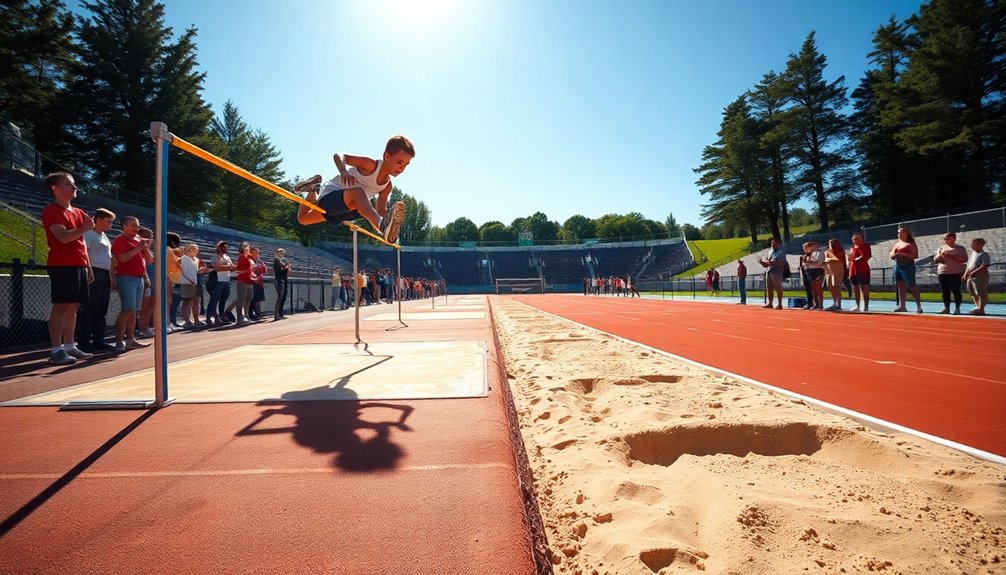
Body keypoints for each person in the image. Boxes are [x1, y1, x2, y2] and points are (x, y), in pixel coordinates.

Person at [295, 135, 415, 244]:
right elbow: (339, 156)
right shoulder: (371, 165)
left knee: (303, 219)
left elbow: (380, 210)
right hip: (332, 195)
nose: (401, 168)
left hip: (347, 208)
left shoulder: (387, 186)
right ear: (387, 156)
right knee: (358, 193)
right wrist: (343, 171)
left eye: (405, 165)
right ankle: (382, 226)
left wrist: (391, 222)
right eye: (399, 162)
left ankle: (313, 188)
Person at [41, 172, 95, 365]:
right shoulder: (51, 211)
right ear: (55, 188)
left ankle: (70, 345)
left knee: (74, 306)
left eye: (73, 184)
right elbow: (63, 237)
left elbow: (81, 242)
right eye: (68, 184)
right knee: (62, 306)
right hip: (62, 264)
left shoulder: (78, 212)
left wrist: (88, 266)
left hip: (79, 264)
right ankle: (56, 350)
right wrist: (83, 228)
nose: (74, 187)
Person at [75, 207, 117, 353]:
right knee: (88, 308)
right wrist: (89, 270)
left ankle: (99, 341)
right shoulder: (89, 234)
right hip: (93, 272)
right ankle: (84, 342)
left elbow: (108, 258)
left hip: (104, 274)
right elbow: (84, 252)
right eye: (109, 221)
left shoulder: (104, 236)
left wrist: (111, 276)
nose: (111, 225)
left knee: (101, 308)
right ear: (98, 219)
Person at [110, 216, 153, 352]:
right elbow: (122, 259)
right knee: (127, 309)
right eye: (133, 225)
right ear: (124, 226)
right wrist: (138, 248)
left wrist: (145, 249)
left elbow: (149, 261)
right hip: (126, 278)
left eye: (137, 226)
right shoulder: (120, 240)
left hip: (139, 278)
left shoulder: (138, 240)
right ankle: (118, 340)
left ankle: (130, 338)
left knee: (134, 311)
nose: (136, 228)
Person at [933, 232, 968, 315]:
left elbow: (964, 259)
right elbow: (935, 259)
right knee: (945, 291)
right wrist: (939, 257)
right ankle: (946, 308)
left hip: (956, 272)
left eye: (948, 238)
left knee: (956, 290)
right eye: (945, 238)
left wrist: (950, 256)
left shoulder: (960, 248)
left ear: (954, 238)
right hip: (943, 272)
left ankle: (957, 308)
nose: (946, 240)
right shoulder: (941, 248)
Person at [890, 225, 922, 313]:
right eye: (898, 233)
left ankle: (919, 306)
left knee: (912, 286)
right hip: (898, 266)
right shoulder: (897, 244)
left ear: (907, 233)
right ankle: (902, 306)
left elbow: (915, 256)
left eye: (902, 232)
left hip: (908, 266)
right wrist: (895, 255)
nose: (900, 234)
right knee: (900, 285)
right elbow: (891, 255)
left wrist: (903, 254)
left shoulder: (911, 244)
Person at [206, 241, 235, 325]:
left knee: (223, 299)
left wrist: (231, 267)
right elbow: (217, 268)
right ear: (220, 248)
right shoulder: (215, 256)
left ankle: (222, 315)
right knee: (214, 299)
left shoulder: (227, 256)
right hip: (218, 280)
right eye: (225, 247)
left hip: (226, 280)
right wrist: (228, 267)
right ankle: (210, 317)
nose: (226, 248)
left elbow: (232, 268)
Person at [962, 237, 991, 315]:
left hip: (980, 276)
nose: (972, 245)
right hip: (970, 277)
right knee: (972, 293)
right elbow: (969, 265)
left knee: (981, 293)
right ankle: (977, 307)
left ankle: (981, 308)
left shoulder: (984, 254)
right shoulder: (973, 254)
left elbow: (984, 265)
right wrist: (965, 274)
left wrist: (974, 272)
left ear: (981, 245)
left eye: (974, 243)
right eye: (972, 243)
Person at [758, 238, 785, 310]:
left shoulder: (781, 252)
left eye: (775, 243)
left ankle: (780, 304)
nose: (773, 245)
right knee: (769, 288)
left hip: (777, 271)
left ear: (779, 244)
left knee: (778, 288)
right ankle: (770, 303)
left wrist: (772, 262)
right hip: (769, 271)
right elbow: (767, 264)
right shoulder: (769, 252)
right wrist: (762, 263)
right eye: (772, 243)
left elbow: (782, 263)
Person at [178, 243, 200, 328]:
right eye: (194, 249)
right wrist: (190, 280)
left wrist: (200, 271)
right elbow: (184, 271)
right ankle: (186, 320)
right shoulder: (183, 258)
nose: (196, 251)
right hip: (187, 282)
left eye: (196, 250)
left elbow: (195, 271)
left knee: (196, 301)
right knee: (187, 302)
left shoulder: (196, 260)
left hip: (195, 282)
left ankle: (196, 320)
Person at [848, 232, 872, 312]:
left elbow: (866, 257)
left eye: (857, 238)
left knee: (864, 287)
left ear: (861, 239)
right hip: (853, 269)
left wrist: (856, 258)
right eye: (854, 239)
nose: (855, 240)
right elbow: (850, 258)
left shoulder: (866, 246)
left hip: (863, 269)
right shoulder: (852, 248)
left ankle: (866, 306)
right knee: (855, 288)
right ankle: (857, 306)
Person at [801, 241, 825, 310]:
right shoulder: (809, 253)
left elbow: (820, 262)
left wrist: (810, 262)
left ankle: (820, 304)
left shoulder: (820, 252)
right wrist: (806, 263)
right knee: (813, 288)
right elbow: (804, 263)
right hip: (810, 270)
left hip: (818, 270)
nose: (811, 247)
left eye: (812, 246)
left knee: (818, 287)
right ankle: (816, 304)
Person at [824, 239, 846, 311]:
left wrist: (828, 259)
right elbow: (825, 260)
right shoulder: (828, 251)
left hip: (837, 270)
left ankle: (838, 305)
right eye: (829, 243)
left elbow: (838, 259)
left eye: (832, 243)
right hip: (829, 271)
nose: (830, 244)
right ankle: (834, 303)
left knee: (836, 287)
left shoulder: (839, 250)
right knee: (830, 287)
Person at [249, 246, 267, 321]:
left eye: (258, 252)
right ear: (251, 252)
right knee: (253, 298)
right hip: (253, 281)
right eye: (256, 251)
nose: (257, 253)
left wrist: (263, 267)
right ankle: (252, 313)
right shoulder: (250, 260)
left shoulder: (259, 261)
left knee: (258, 298)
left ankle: (258, 313)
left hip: (259, 281)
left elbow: (265, 271)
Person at [273, 248, 291, 320]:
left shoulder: (282, 260)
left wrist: (287, 267)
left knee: (284, 297)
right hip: (279, 279)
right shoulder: (276, 260)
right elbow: (280, 270)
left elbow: (287, 270)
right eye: (281, 252)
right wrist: (287, 266)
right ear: (277, 252)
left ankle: (280, 313)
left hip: (284, 279)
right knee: (280, 297)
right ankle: (277, 314)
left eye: (283, 253)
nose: (283, 254)